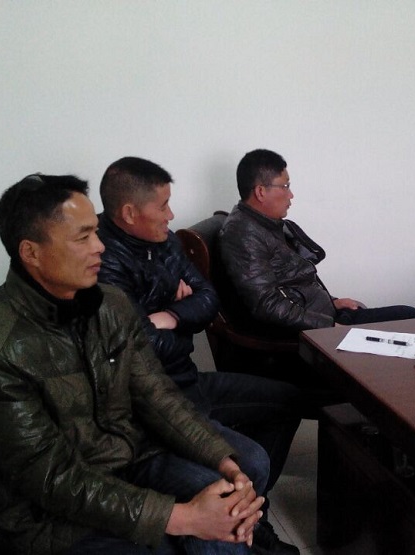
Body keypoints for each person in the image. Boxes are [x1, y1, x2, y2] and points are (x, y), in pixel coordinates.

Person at [0, 174, 268, 555]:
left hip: (131, 462)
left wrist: (224, 461)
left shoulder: (109, 305)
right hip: (53, 517)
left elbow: (158, 396)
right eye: (83, 237)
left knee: (229, 501)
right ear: (31, 253)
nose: (100, 246)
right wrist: (184, 517)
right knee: (206, 530)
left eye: (96, 232)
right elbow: (52, 479)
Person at [96, 157, 301, 555]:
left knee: (288, 400)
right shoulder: (102, 262)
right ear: (130, 213)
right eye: (163, 206)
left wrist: (169, 316)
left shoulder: (165, 241)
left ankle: (255, 517)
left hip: (187, 377)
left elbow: (209, 300)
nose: (171, 215)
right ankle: (248, 526)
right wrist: (178, 321)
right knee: (250, 461)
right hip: (158, 396)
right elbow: (139, 350)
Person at [218, 148, 415, 333]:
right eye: (285, 186)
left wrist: (333, 303)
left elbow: (293, 282)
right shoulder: (244, 235)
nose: (291, 195)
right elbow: (267, 305)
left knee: (410, 317)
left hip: (321, 318)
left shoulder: (264, 224)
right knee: (410, 319)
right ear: (261, 192)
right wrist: (329, 327)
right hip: (312, 332)